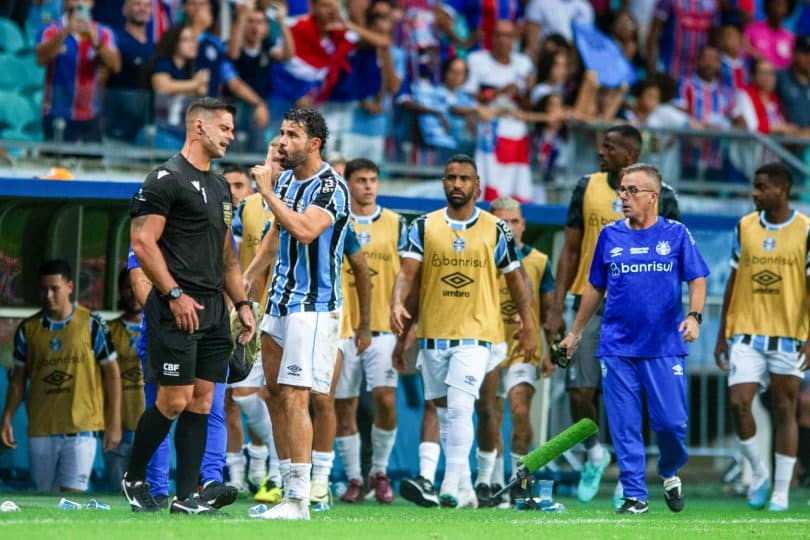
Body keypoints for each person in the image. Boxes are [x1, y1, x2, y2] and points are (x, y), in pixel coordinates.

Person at [122, 97, 256, 514]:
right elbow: (142, 242)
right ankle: (134, 476)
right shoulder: (164, 179)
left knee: (202, 401)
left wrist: (243, 303)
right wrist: (174, 294)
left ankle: (186, 497)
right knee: (173, 400)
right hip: (176, 309)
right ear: (199, 127)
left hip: (216, 310)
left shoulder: (219, 187)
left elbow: (228, 257)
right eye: (226, 128)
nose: (231, 136)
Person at [560, 163, 708, 514]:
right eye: (621, 190)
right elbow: (595, 286)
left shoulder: (676, 234)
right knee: (625, 425)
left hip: (663, 347)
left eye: (631, 191)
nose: (622, 197)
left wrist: (694, 316)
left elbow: (697, 278)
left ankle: (670, 469)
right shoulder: (610, 236)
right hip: (617, 346)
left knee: (672, 424)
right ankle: (635, 495)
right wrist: (575, 332)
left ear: (653, 197)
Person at [391, 154, 538, 508]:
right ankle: (464, 491)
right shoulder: (422, 226)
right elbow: (409, 274)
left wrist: (529, 323)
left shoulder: (496, 228)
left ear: (477, 186)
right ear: (443, 182)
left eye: (464, 178)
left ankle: (451, 485)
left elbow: (515, 278)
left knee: (459, 408)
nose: (456, 184)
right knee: (442, 412)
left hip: (477, 335)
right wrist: (398, 306)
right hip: (434, 334)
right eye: (450, 177)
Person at [545, 124, 681, 505]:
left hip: (641, 310)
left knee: (634, 396)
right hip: (589, 303)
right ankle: (594, 455)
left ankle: (629, 473)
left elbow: (674, 257)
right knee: (579, 391)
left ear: (630, 154)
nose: (601, 152)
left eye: (609, 147)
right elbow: (570, 251)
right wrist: (557, 308)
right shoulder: (584, 187)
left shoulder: (663, 195)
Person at [249, 107, 350, 521]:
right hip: (278, 302)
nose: (283, 142)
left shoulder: (332, 188)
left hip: (314, 307)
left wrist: (266, 192)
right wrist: (247, 283)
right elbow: (274, 238)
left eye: (291, 135)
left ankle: (300, 501)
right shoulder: (288, 180)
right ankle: (288, 489)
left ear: (314, 143)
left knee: (296, 397)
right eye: (282, 133)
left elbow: (305, 230)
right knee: (273, 395)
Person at [714, 162, 810, 512]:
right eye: (754, 186)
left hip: (788, 335)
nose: (754, 193)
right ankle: (758, 472)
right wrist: (723, 333)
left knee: (786, 409)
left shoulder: (805, 229)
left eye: (761, 187)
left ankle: (781, 492)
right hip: (746, 332)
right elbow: (733, 280)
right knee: (740, 402)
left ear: (781, 190)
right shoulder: (745, 227)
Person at [1, 259, 121, 493]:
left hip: (81, 429)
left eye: (54, 288)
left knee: (71, 496)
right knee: (45, 495)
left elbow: (112, 373)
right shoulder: (28, 329)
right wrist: (7, 418)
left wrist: (114, 421)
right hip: (40, 428)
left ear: (69, 287)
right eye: (43, 289)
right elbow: (18, 379)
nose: (48, 295)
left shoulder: (92, 323)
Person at [334, 158, 408, 504]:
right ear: (347, 183)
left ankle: (379, 470)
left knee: (385, 399)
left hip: (382, 328)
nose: (368, 186)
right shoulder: (334, 221)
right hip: (342, 329)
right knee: (343, 406)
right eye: (361, 180)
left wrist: (407, 320)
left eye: (373, 180)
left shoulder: (395, 224)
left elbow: (409, 275)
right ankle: (353, 477)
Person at [481, 197, 556, 505]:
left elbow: (550, 310)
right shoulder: (481, 257)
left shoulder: (538, 260)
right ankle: (494, 484)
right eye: (502, 222)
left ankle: (520, 482)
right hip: (487, 346)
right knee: (491, 417)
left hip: (523, 350)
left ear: (523, 224)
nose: (508, 228)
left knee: (521, 413)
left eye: (514, 222)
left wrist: (551, 349)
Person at [36, 0, 122, 142]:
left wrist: (95, 41)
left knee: (92, 163)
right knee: (56, 163)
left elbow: (116, 66)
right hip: (56, 113)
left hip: (91, 115)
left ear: (92, 3)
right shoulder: (50, 30)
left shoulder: (103, 32)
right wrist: (65, 32)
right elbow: (40, 59)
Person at [105, 268, 145, 490]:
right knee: (117, 495)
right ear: (120, 291)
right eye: (126, 287)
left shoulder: (159, 329)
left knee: (149, 493)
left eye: (135, 286)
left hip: (150, 428)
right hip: (117, 429)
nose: (132, 292)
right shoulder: (108, 331)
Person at [104, 0, 155, 141]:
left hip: (145, 127)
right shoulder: (114, 40)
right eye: (137, 4)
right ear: (124, 10)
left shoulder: (155, 47)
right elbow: (101, 79)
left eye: (147, 5)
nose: (143, 8)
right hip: (116, 125)